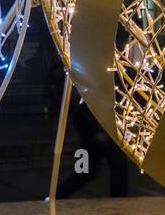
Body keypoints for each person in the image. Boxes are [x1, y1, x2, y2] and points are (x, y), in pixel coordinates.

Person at [49, 60, 129, 199]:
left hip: (95, 128)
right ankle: (118, 202)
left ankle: (56, 196)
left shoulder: (97, 70)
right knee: (116, 165)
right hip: (96, 129)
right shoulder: (95, 72)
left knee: (88, 171)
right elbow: (88, 103)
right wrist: (97, 130)